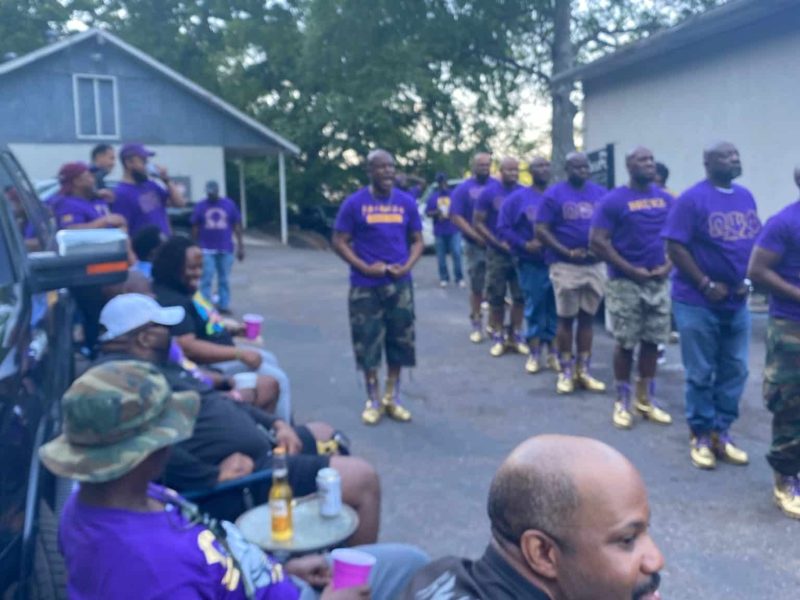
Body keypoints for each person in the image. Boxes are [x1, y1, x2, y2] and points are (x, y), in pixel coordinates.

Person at [40, 360, 428, 599]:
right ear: (151, 451)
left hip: (268, 578)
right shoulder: (153, 573)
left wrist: (281, 569)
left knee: (409, 562)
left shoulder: (92, 501)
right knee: (415, 569)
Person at [96, 295, 382, 544]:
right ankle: (345, 581)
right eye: (163, 327)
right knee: (362, 479)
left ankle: (326, 554)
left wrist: (276, 424)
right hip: (238, 481)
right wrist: (211, 477)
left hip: (260, 448)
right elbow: (147, 449)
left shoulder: (157, 366)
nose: (171, 333)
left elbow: (216, 401)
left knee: (325, 433)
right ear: (144, 337)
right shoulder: (125, 383)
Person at [402, 434, 664, 600]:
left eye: (645, 531)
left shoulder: (442, 573)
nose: (655, 560)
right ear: (542, 553)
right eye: (627, 540)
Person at [662, 141, 761, 470]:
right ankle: (700, 434)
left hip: (736, 301)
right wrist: (704, 283)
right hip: (696, 301)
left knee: (735, 369)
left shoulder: (745, 196)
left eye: (736, 154)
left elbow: (751, 242)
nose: (735, 159)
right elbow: (675, 246)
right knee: (701, 371)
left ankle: (722, 432)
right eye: (727, 156)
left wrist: (748, 281)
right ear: (708, 163)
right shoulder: (691, 199)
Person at [152, 236, 292, 422]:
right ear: (173, 268)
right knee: (277, 378)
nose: (198, 273)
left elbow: (203, 322)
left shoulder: (186, 289)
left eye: (200, 267)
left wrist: (233, 330)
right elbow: (187, 346)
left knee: (269, 358)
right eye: (192, 268)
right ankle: (283, 429)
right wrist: (239, 353)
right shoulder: (172, 300)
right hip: (209, 365)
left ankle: (276, 421)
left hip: (222, 347)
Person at [332, 149, 424, 425]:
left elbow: (417, 239)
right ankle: (372, 399)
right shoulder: (354, 203)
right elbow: (339, 240)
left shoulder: (406, 203)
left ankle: (391, 397)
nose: (387, 172)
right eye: (381, 167)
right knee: (367, 341)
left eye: (391, 167)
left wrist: (408, 265)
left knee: (400, 341)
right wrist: (362, 266)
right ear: (369, 171)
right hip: (365, 286)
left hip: (399, 285)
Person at [590, 147, 673, 430]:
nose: (649, 164)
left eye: (651, 159)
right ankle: (622, 400)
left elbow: (678, 238)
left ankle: (645, 399)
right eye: (642, 160)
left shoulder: (665, 199)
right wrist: (629, 270)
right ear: (629, 165)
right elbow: (598, 241)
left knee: (652, 340)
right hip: (624, 282)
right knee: (626, 342)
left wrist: (668, 266)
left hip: (657, 281)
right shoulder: (613, 200)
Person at [747, 166, 800, 519]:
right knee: (790, 401)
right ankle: (786, 477)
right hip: (791, 325)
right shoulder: (784, 222)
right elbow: (757, 270)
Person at [535, 152, 608, 395]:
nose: (582, 171)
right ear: (567, 169)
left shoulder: (600, 194)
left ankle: (583, 370)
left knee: (587, 319)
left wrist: (601, 251)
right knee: (566, 318)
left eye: (585, 166)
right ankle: (565, 370)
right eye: (576, 167)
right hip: (565, 265)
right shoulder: (554, 195)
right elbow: (542, 230)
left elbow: (611, 226)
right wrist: (566, 251)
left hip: (594, 264)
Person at [498, 156, 558, 374]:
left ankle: (553, 352)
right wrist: (524, 244)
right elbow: (503, 228)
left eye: (546, 165)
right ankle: (534, 352)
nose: (543, 169)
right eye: (538, 166)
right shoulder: (517, 199)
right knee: (534, 305)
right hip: (530, 262)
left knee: (554, 307)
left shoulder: (556, 195)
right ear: (530, 171)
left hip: (557, 261)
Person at [474, 157, 527, 357]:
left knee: (520, 295)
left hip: (519, 252)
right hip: (496, 252)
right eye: (509, 170)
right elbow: (478, 222)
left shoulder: (524, 192)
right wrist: (495, 242)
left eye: (516, 170)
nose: (513, 174)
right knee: (496, 295)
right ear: (500, 171)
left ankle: (515, 335)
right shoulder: (489, 193)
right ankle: (498, 337)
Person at [451, 153, 495, 343]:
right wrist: (475, 236)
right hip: (474, 244)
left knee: (495, 288)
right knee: (477, 286)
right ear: (473, 166)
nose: (484, 167)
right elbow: (456, 216)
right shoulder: (463, 189)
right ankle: (477, 324)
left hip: (497, 245)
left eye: (487, 164)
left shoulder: (497, 186)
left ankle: (494, 326)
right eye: (480, 164)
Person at [192, 180, 245, 315]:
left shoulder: (228, 204)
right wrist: (194, 246)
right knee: (206, 277)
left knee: (224, 279)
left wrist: (241, 246)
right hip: (206, 248)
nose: (211, 196)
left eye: (213, 193)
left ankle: (223, 305)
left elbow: (237, 226)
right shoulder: (201, 206)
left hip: (225, 248)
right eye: (209, 193)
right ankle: (204, 306)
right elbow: (195, 227)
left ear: (217, 191)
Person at [113, 143, 185, 237]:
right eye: (143, 161)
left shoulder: (151, 185)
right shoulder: (121, 193)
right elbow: (123, 230)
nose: (147, 166)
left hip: (165, 244)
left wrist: (166, 180)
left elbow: (179, 203)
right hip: (144, 249)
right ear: (129, 163)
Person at [51, 162, 126, 231]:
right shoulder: (68, 204)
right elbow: (71, 230)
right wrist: (105, 221)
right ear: (77, 181)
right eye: (89, 176)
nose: (93, 180)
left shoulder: (93, 198)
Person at [425, 173, 464, 287]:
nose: (442, 184)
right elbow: (427, 212)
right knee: (441, 256)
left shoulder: (454, 195)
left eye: (443, 182)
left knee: (456, 253)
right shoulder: (433, 197)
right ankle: (444, 278)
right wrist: (436, 213)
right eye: (440, 182)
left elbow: (460, 210)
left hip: (453, 229)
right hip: (439, 230)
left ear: (447, 182)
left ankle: (459, 277)